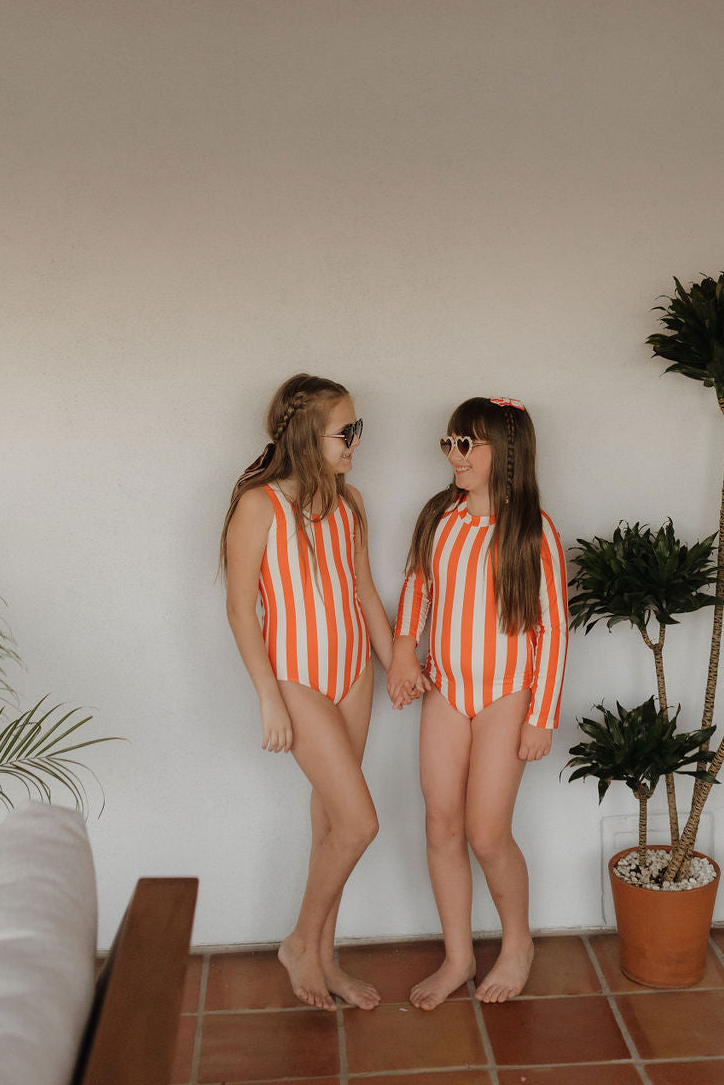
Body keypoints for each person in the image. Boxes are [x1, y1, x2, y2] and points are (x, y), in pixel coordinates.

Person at [222, 373, 427, 1012]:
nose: (357, 442)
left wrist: (395, 662)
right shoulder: (259, 505)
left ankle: (325, 958)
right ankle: (300, 943)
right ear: (310, 435)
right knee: (361, 823)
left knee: (333, 824)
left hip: (352, 675)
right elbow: (240, 610)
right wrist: (268, 697)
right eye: (348, 431)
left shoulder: (350, 502)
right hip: (297, 679)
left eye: (357, 429)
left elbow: (362, 590)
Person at [387, 396, 568, 1008]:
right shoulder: (439, 517)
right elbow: (418, 586)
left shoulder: (534, 531)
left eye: (467, 444)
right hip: (445, 690)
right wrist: (404, 652)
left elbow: (553, 630)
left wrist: (541, 716)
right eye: (449, 442)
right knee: (441, 824)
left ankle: (517, 944)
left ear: (506, 450)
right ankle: (458, 955)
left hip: (506, 696)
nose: (454, 455)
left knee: (487, 833)